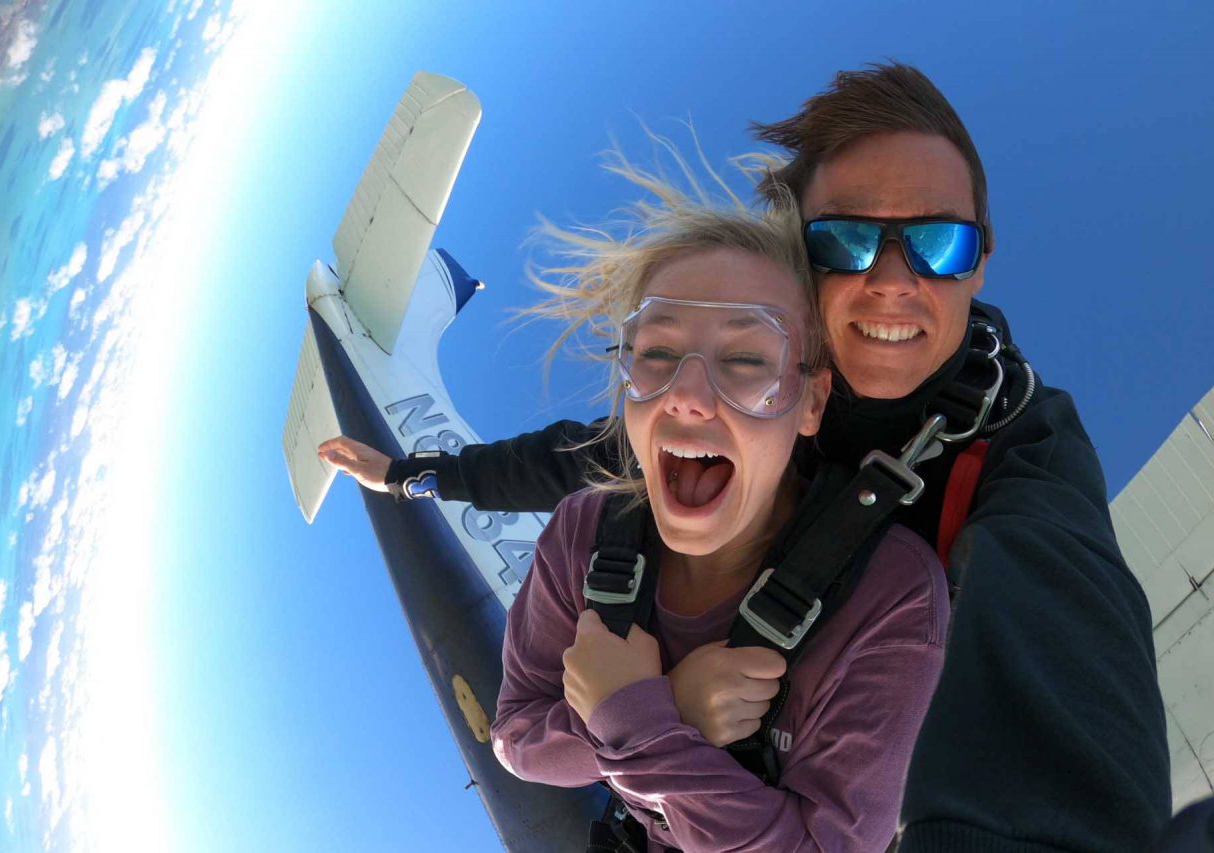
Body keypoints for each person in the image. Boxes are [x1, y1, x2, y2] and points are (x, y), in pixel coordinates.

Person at [322, 62, 1172, 851]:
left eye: (939, 243)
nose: (891, 278)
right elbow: (566, 460)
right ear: (800, 266)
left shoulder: (1016, 457)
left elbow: (1067, 656)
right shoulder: (710, 416)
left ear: (981, 260)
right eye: (845, 241)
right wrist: (405, 473)